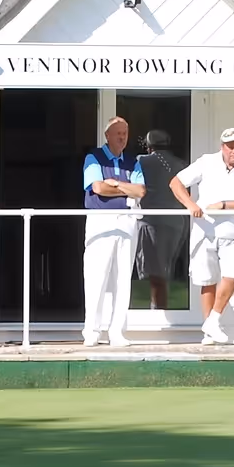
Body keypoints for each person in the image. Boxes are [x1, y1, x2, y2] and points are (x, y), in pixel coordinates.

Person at [170, 126, 234, 344]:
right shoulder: (207, 162)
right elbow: (176, 183)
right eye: (230, 147)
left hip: (233, 231)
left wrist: (224, 205)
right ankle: (209, 331)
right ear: (222, 147)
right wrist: (191, 205)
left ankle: (213, 319)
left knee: (232, 274)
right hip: (205, 229)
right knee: (207, 279)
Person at [82, 116, 145, 347]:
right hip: (102, 220)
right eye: (118, 133)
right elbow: (98, 188)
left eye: (125, 134)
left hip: (127, 221)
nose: (122, 138)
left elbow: (140, 191)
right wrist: (123, 188)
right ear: (107, 136)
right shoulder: (93, 157)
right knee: (96, 277)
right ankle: (92, 330)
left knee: (122, 279)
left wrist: (116, 184)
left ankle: (116, 331)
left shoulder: (133, 161)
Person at [136, 129, 188, 310]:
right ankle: (158, 310)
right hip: (177, 223)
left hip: (152, 221)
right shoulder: (181, 164)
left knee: (156, 274)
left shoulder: (141, 161)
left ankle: (158, 313)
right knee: (165, 271)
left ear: (149, 147)